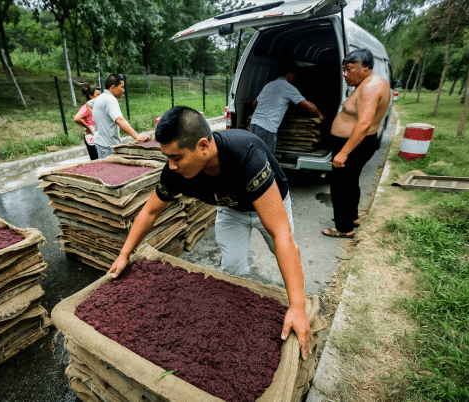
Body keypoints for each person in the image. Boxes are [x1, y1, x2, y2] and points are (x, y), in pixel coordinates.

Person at [107, 106, 313, 360]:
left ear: (203, 146)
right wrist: (124, 253)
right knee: (232, 270)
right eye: (167, 158)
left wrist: (298, 306)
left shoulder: (245, 154)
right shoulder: (176, 173)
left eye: (177, 157)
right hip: (231, 210)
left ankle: (299, 300)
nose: (171, 166)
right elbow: (150, 212)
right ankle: (236, 325)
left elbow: (280, 232)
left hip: (270, 204)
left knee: (285, 249)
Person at [322, 48, 391, 239]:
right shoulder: (373, 82)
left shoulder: (370, 87)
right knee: (350, 182)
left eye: (350, 69)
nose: (345, 74)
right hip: (359, 143)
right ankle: (351, 218)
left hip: (354, 144)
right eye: (343, 70)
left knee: (341, 186)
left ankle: (344, 228)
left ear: (366, 67)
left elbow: (364, 123)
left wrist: (344, 152)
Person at [250, 60, 325, 154]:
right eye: (294, 74)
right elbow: (308, 106)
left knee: (255, 154)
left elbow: (254, 103)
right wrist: (320, 115)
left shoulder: (269, 85)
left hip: (254, 125)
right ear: (290, 73)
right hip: (267, 128)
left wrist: (260, 115)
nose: (293, 77)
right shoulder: (287, 87)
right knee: (266, 158)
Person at [88, 74, 149, 158]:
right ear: (113, 87)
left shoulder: (101, 97)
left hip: (100, 143)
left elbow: (88, 104)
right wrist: (137, 136)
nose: (123, 90)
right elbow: (120, 120)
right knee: (111, 170)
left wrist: (98, 117)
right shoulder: (110, 100)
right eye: (121, 87)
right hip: (109, 146)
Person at [74, 85, 100, 160]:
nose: (99, 96)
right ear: (91, 96)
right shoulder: (86, 108)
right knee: (96, 161)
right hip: (92, 137)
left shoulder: (97, 106)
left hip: (99, 136)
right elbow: (76, 118)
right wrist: (88, 128)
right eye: (97, 94)